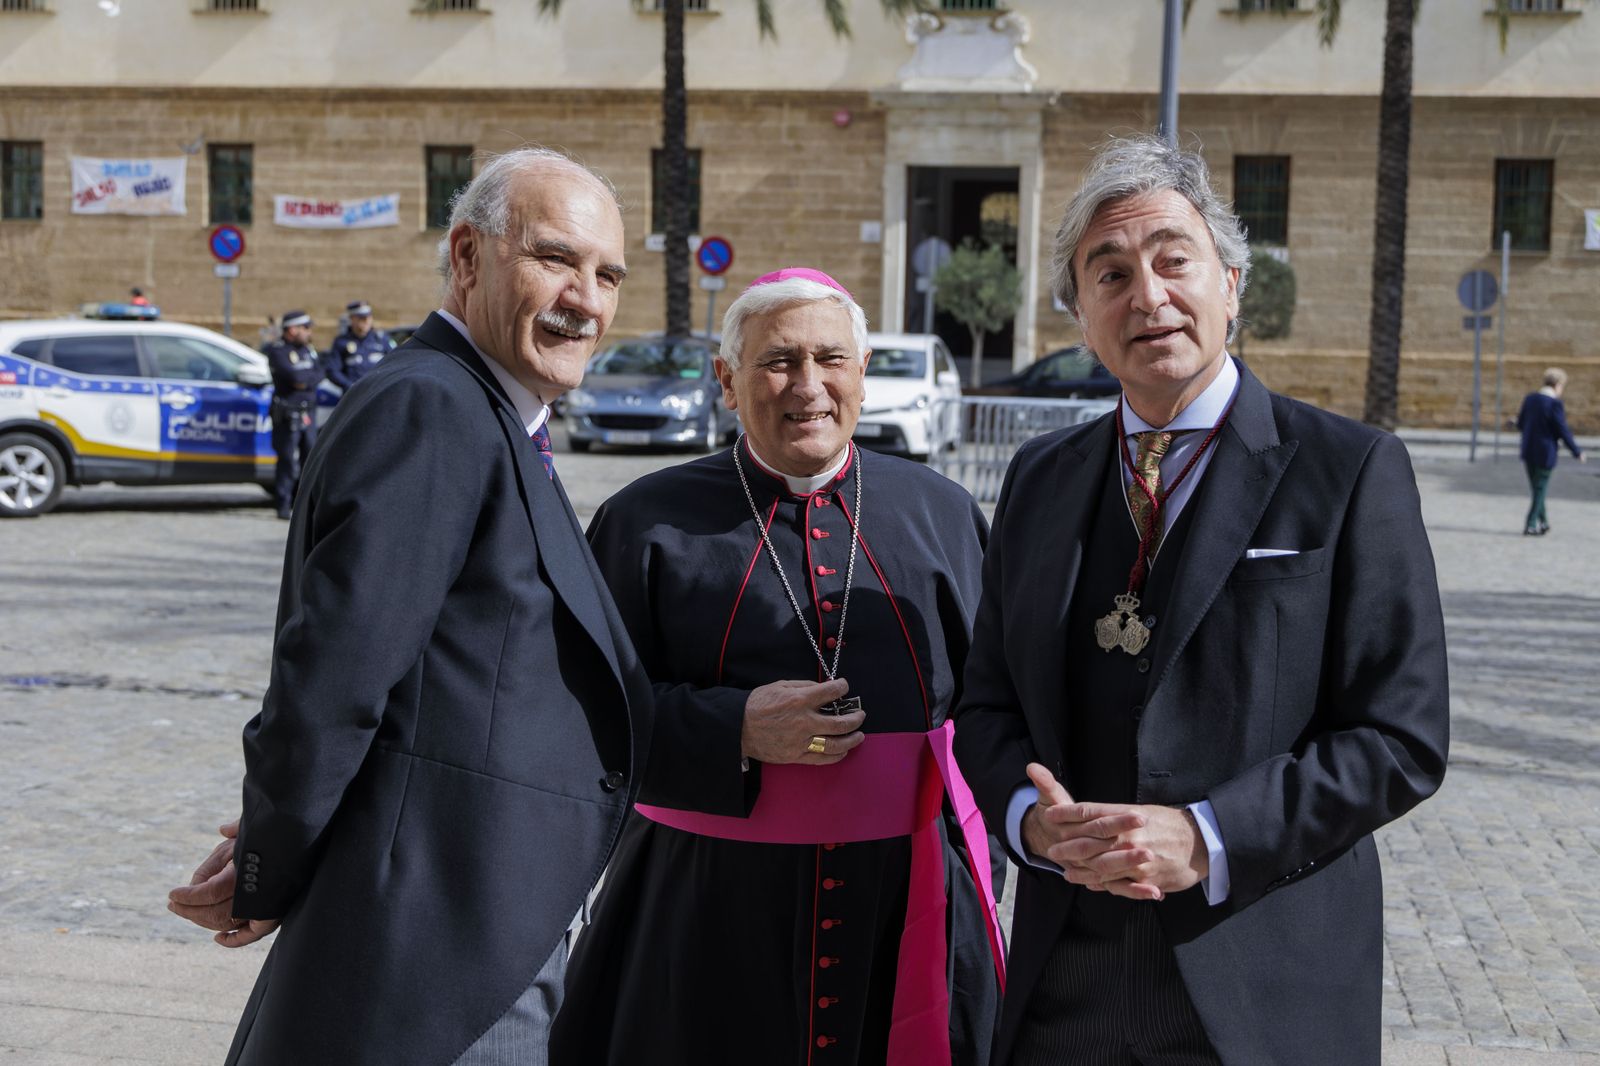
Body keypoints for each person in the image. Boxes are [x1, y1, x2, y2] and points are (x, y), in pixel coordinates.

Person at [951, 134, 1450, 1065]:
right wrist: (1031, 823)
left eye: (1173, 260)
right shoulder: (1038, 477)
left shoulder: (1348, 470)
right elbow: (986, 705)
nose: (1148, 296)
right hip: (1064, 984)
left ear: (1231, 283)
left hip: (1261, 980)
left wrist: (1204, 836)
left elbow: (1400, 738)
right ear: (1081, 316)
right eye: (1110, 274)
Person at [166, 147, 651, 1066]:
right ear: (467, 256)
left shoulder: (489, 414)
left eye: (608, 275)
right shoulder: (433, 407)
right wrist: (271, 862)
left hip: (475, 933)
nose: (585, 300)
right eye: (556, 259)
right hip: (438, 961)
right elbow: (333, 682)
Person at [551, 269, 1005, 1066]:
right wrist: (733, 728)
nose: (808, 386)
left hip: (906, 899)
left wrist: (983, 872)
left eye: (831, 359)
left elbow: (994, 707)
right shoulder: (645, 522)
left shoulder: (942, 512)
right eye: (778, 362)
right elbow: (576, 717)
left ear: (862, 371)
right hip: (705, 907)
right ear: (727, 380)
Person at [261, 311, 324, 519]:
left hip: (308, 411)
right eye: (305, 328)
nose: (309, 332)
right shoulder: (278, 350)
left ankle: (304, 506)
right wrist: (304, 380)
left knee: (310, 459)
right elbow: (295, 378)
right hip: (287, 414)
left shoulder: (307, 349)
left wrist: (305, 381)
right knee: (287, 459)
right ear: (292, 329)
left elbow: (319, 373)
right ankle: (283, 504)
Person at [1514, 367, 1584, 535]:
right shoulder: (1554, 404)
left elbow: (1521, 423)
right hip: (1545, 452)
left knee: (1537, 488)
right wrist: (1576, 451)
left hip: (1528, 449)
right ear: (1558, 384)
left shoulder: (1530, 398)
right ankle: (1531, 524)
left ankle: (1544, 522)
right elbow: (1562, 430)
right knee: (1540, 489)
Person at [324, 299, 396, 392]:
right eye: (361, 318)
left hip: (379, 392)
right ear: (352, 319)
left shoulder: (381, 340)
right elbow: (332, 370)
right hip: (354, 394)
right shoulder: (341, 342)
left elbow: (395, 363)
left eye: (368, 317)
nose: (366, 321)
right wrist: (350, 386)